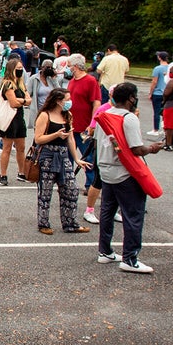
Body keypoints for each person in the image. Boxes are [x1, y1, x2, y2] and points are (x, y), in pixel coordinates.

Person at [96, 83, 164, 273]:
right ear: (131, 98)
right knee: (133, 214)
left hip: (106, 170)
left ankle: (105, 251)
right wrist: (152, 148)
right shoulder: (129, 118)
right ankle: (130, 257)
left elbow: (97, 143)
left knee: (107, 212)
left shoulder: (104, 116)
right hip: (125, 173)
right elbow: (136, 149)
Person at [33, 89, 92, 234]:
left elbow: (70, 138)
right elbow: (38, 139)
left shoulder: (67, 115)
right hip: (47, 156)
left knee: (71, 190)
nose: (69, 102)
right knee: (45, 192)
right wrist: (56, 134)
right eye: (67, 99)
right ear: (58, 101)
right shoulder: (45, 115)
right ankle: (43, 223)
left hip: (63, 155)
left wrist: (77, 158)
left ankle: (70, 223)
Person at [66, 54, 102, 223]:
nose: (68, 68)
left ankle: (90, 185)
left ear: (76, 66)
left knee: (87, 158)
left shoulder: (90, 81)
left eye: (69, 65)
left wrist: (92, 124)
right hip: (71, 125)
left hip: (84, 127)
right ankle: (68, 182)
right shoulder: (72, 81)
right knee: (68, 157)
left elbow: (96, 103)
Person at [0, 63, 32, 186]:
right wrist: (23, 101)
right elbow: (13, 103)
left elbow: (28, 100)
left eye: (22, 68)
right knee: (7, 147)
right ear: (12, 69)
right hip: (9, 119)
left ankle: (21, 172)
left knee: (21, 147)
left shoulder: (21, 84)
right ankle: (3, 174)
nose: (20, 71)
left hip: (19, 118)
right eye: (18, 69)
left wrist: (22, 100)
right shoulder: (7, 84)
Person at [148, 52, 169, 137]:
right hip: (167, 92)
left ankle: (155, 129)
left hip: (158, 92)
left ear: (159, 58)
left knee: (156, 112)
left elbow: (154, 81)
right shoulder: (170, 67)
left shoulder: (157, 68)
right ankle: (165, 128)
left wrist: (150, 93)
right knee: (165, 112)